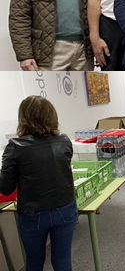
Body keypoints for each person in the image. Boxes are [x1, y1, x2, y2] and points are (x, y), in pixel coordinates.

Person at [0, 96, 77, 271]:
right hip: (65, 208)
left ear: (23, 118)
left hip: (33, 214)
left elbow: (6, 188)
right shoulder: (64, 141)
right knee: (63, 259)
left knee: (34, 262)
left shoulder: (15, 146)